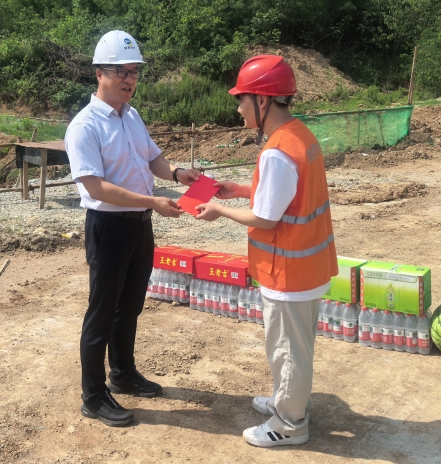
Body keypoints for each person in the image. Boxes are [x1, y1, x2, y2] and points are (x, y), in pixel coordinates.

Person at [195, 55, 337, 448]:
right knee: (294, 346)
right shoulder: (298, 135)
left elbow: (266, 218)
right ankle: (285, 401)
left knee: (287, 349)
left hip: (288, 271)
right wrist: (239, 190)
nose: (238, 108)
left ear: (262, 100)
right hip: (305, 266)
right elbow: (286, 196)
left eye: (241, 99)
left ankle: (290, 424)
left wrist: (220, 209)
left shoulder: (276, 151)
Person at [65, 30, 200, 427]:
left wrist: (177, 172)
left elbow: (152, 159)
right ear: (99, 74)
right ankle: (93, 396)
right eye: (120, 71)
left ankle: (122, 373)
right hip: (108, 227)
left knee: (131, 306)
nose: (129, 79)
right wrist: (153, 202)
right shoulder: (85, 126)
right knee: (102, 313)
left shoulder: (131, 115)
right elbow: (95, 187)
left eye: (134, 71)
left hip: (140, 227)